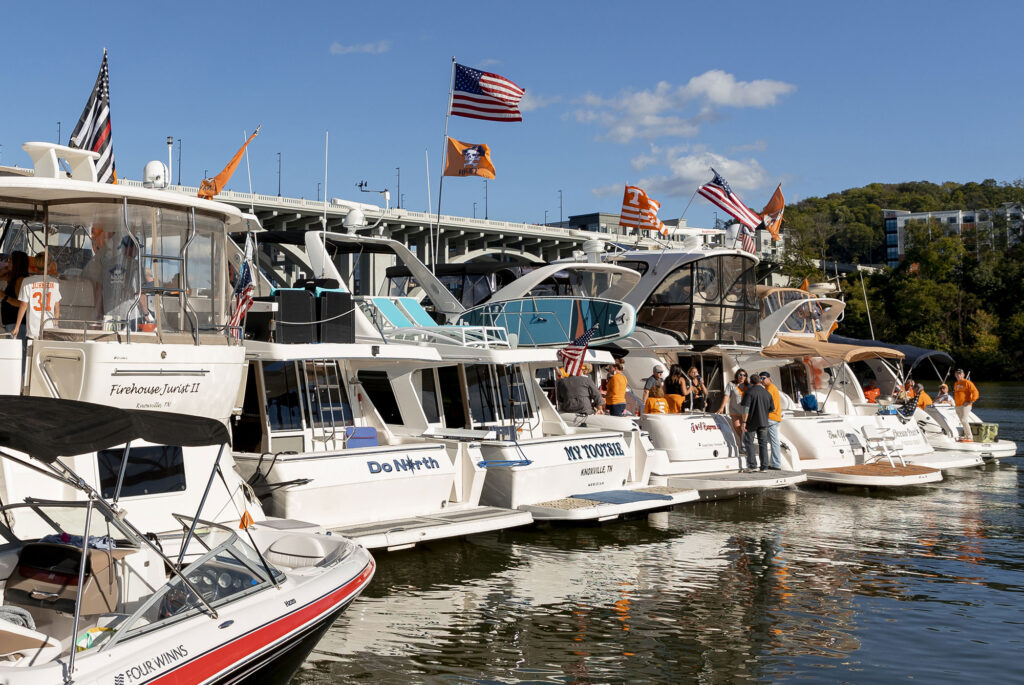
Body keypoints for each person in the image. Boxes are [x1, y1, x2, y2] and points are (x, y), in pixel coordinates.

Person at [12, 254, 61, 339]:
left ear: (35, 265)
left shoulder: (27, 281)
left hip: (33, 329)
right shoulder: (54, 282)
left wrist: (17, 327)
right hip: (49, 328)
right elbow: (57, 305)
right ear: (49, 265)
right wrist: (56, 325)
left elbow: (23, 305)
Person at [740, 374, 774, 472]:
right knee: (763, 443)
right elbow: (771, 409)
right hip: (764, 421)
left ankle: (752, 466)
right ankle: (764, 467)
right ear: (760, 381)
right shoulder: (767, 393)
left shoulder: (749, 392)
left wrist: (744, 422)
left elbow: (745, 409)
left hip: (751, 422)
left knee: (749, 442)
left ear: (751, 381)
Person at [1, 251, 29, 337]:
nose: (8, 263)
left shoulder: (20, 280)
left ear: (16, 263)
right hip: (11, 323)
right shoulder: (13, 277)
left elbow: (21, 303)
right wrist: (4, 269)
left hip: (17, 324)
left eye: (10, 261)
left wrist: (4, 297)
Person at [759, 372, 784, 469]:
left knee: (773, 442)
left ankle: (776, 464)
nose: (762, 380)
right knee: (772, 441)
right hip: (774, 418)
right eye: (760, 378)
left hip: (771, 418)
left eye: (763, 378)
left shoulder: (769, 389)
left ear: (769, 378)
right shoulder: (771, 387)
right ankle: (774, 463)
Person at [719, 369, 748, 439]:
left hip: (746, 411)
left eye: (744, 375)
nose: (742, 377)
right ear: (737, 375)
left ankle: (745, 444)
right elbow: (727, 396)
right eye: (740, 375)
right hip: (734, 410)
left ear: (746, 377)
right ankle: (744, 443)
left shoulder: (748, 386)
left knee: (745, 429)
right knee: (737, 427)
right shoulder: (731, 384)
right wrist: (722, 407)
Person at [953, 368, 980, 441]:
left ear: (963, 375)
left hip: (966, 405)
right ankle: (966, 435)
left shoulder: (967, 382)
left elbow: (976, 392)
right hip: (958, 405)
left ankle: (969, 437)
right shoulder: (956, 383)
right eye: (957, 374)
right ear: (955, 375)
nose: (958, 375)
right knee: (962, 421)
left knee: (964, 420)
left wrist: (971, 401)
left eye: (960, 374)